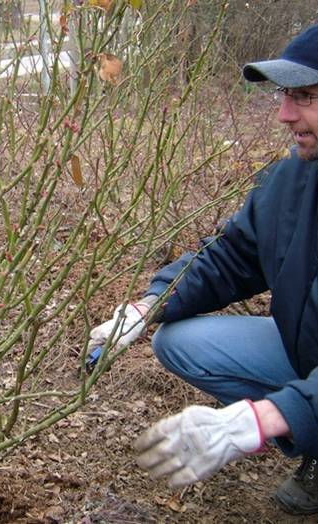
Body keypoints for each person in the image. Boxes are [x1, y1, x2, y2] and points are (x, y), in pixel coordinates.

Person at [88, 24, 318, 516]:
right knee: (179, 341)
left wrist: (264, 418)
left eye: (305, 97)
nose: (284, 114)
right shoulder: (297, 175)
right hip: (310, 345)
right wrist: (151, 304)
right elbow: (233, 255)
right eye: (284, 95)